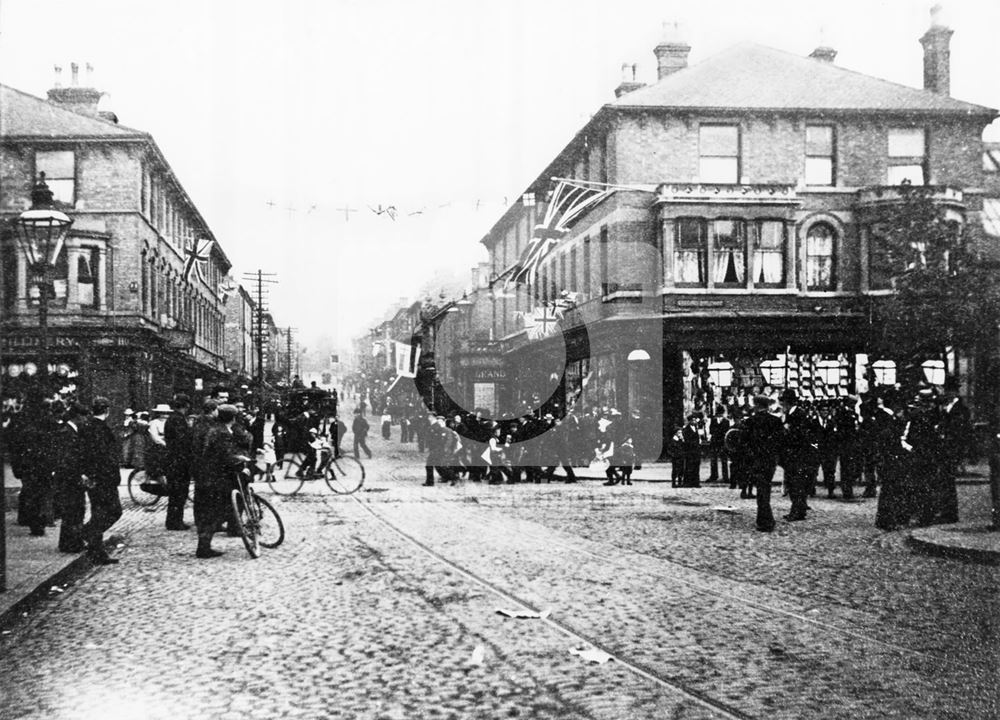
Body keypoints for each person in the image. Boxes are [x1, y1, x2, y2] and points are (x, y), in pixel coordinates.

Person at [194, 404, 247, 558]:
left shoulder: (216, 429)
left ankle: (204, 546)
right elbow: (225, 456)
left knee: (208, 512)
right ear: (233, 418)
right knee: (212, 511)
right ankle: (203, 549)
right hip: (215, 478)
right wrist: (240, 462)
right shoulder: (222, 433)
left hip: (207, 476)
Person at [79, 397, 123, 565]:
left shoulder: (86, 427)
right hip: (105, 479)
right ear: (107, 411)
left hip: (93, 478)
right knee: (113, 511)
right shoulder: (103, 429)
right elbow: (107, 457)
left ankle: (96, 551)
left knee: (98, 512)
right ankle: (87, 533)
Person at [741, 394, 786, 532]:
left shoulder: (750, 422)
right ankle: (766, 519)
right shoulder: (776, 421)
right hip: (770, 460)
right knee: (764, 488)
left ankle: (765, 520)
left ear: (756, 405)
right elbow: (781, 442)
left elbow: (744, 443)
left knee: (762, 489)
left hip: (756, 460)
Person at [54, 402, 90, 553]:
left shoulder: (71, 431)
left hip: (72, 477)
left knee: (75, 509)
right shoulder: (66, 433)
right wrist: (78, 474)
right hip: (69, 478)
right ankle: (70, 543)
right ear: (77, 416)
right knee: (72, 510)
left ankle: (73, 541)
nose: (85, 419)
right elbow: (67, 459)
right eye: (83, 416)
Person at [780, 389, 815, 522]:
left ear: (786, 402)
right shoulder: (792, 414)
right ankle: (798, 510)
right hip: (794, 455)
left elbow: (800, 436)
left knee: (796, 484)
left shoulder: (798, 415)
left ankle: (797, 511)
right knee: (794, 483)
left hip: (797, 455)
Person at [163, 394, 193, 531]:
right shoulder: (178, 420)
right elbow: (183, 441)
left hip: (173, 460)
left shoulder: (173, 419)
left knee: (176, 493)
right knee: (179, 492)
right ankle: (175, 522)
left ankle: (174, 520)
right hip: (179, 461)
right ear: (186, 405)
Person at [707, 407, 731, 485]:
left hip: (722, 443)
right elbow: (711, 431)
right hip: (714, 442)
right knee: (713, 460)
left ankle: (725, 477)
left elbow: (726, 432)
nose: (720, 415)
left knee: (724, 460)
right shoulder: (713, 421)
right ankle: (714, 475)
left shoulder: (726, 421)